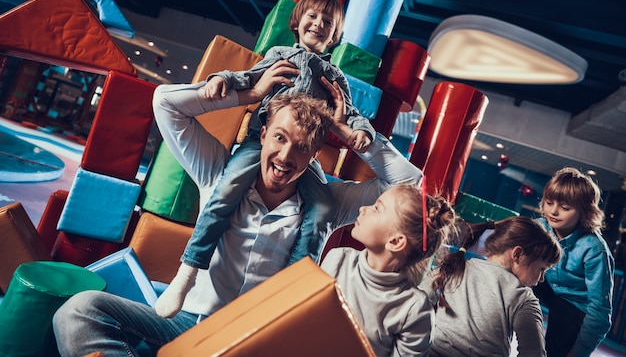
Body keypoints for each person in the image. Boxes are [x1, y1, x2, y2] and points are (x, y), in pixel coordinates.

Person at [52, 60, 422, 356]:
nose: (285, 156)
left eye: (302, 147)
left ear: (313, 155)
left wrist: (347, 131)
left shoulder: (330, 200)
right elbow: (164, 101)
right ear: (262, 135)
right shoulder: (218, 170)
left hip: (254, 342)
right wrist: (250, 92)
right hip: (189, 323)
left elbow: (408, 183)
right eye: (279, 138)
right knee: (79, 312)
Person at [155, 0, 375, 318]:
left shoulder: (334, 77)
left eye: (328, 22)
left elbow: (351, 114)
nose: (318, 24)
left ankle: (289, 291)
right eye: (312, 17)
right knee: (224, 190)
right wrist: (235, 86)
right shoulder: (280, 55)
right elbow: (246, 77)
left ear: (335, 37)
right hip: (257, 144)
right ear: (297, 23)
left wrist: (359, 132)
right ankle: (188, 272)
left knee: (323, 208)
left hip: (308, 156)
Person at [320, 184, 457, 356]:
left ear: (395, 242)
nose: (363, 209)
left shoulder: (413, 309)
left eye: (377, 208)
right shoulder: (338, 259)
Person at [428, 216, 562, 357]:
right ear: (518, 254)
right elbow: (534, 354)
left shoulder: (454, 267)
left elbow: (415, 305)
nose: (541, 279)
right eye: (541, 269)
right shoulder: (523, 298)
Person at [534, 167, 614, 357]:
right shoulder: (539, 227)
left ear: (584, 213)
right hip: (546, 287)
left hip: (574, 306)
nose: (553, 211)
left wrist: (578, 353)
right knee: (512, 278)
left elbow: (600, 312)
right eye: (549, 202)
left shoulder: (595, 250)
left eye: (565, 208)